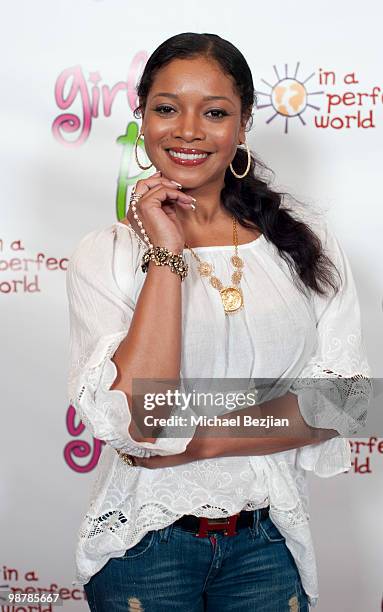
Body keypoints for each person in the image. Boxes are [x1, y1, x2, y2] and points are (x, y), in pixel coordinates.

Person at [66, 32, 371, 611]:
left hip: (271, 540)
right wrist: (166, 254)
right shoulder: (103, 255)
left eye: (213, 112)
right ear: (143, 118)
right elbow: (140, 424)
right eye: (166, 108)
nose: (186, 129)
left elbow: (348, 401)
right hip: (144, 549)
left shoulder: (305, 239)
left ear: (243, 125)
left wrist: (193, 441)